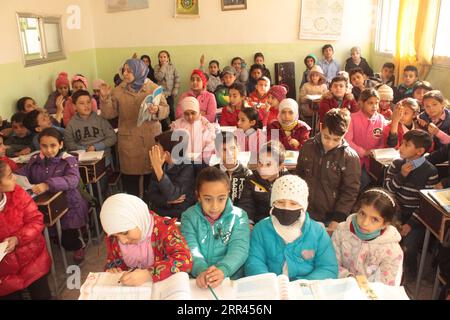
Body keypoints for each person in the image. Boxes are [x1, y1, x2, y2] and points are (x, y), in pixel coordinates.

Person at [245, 175, 338, 280]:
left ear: (303, 206)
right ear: (273, 203)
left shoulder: (317, 232)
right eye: (280, 202)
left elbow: (328, 268)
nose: (286, 207)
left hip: (305, 291)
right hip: (270, 289)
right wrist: (268, 282)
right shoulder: (261, 229)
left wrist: (302, 285)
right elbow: (254, 262)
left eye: (293, 203)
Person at [18, 128, 89, 264]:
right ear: (39, 146)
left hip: (69, 205)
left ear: (61, 144)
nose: (49, 150)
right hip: (45, 205)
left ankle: (79, 244)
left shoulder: (68, 160)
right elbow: (22, 174)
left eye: (53, 145)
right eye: (44, 146)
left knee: (68, 241)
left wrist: (47, 184)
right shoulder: (34, 161)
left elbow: (72, 180)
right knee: (50, 236)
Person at [100, 58, 169, 197]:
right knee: (131, 183)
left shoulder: (153, 88)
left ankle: (150, 211)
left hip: (151, 139)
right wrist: (105, 99)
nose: (125, 74)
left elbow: (166, 110)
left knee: (153, 179)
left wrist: (156, 110)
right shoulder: (118, 90)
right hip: (129, 141)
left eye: (129, 71)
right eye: (124, 70)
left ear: (139, 71)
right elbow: (109, 114)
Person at [100, 193, 193, 284]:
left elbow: (185, 260)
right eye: (116, 236)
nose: (122, 241)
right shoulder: (114, 239)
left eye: (125, 233)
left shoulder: (165, 230)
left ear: (138, 219)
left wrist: (148, 274)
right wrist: (113, 270)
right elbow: (113, 261)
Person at [181, 167, 250, 288]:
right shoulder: (189, 217)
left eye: (221, 199)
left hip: (231, 280)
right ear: (198, 196)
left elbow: (239, 249)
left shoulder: (239, 217)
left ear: (228, 194)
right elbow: (190, 248)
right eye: (208, 199)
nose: (214, 206)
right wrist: (201, 270)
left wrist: (223, 270)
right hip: (198, 279)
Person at [384, 130, 439, 280]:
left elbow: (426, 204)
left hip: (417, 218)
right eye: (402, 143)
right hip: (395, 213)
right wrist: (401, 175)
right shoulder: (397, 164)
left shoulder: (430, 171)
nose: (400, 147)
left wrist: (410, 224)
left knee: (409, 246)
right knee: (386, 240)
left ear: (420, 151)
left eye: (406, 145)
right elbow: (387, 191)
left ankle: (410, 270)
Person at [296, 108, 361, 230]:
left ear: (345, 133)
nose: (330, 143)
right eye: (326, 137)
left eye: (336, 139)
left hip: (330, 217)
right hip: (305, 210)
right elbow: (299, 177)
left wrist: (338, 218)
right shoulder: (307, 146)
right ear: (320, 128)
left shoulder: (350, 157)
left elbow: (350, 191)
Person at [0, 160, 52, 299]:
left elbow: (36, 220)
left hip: (32, 260)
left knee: (42, 295)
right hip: (4, 274)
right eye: (10, 176)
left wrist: (18, 239)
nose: (15, 178)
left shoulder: (17, 192)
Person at [332, 189, 403, 285]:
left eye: (374, 219)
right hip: (337, 287)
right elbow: (331, 263)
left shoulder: (392, 251)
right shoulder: (342, 231)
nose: (364, 223)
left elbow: (385, 287)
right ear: (357, 210)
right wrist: (348, 277)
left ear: (385, 224)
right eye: (362, 214)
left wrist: (361, 287)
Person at [345, 88, 389, 189]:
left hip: (374, 161)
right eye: (370, 103)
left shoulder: (381, 119)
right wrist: (363, 152)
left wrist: (376, 153)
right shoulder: (352, 118)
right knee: (362, 181)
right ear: (361, 103)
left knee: (377, 182)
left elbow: (382, 141)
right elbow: (347, 141)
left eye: (376, 103)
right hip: (355, 160)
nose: (374, 106)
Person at [238, 141, 289, 227]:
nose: (262, 168)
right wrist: (248, 222)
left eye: (268, 164)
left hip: (280, 225)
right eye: (260, 163)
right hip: (257, 225)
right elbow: (246, 204)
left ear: (280, 166)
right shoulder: (251, 180)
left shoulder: (288, 182)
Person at [147, 130, 195, 219]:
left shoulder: (187, 167)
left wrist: (158, 169)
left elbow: (172, 194)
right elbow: (151, 195)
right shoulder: (160, 165)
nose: (155, 151)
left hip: (180, 216)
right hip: (160, 212)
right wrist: (167, 201)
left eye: (158, 148)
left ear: (166, 154)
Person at [64, 90, 117, 167]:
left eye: (88, 102)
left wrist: (96, 147)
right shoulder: (71, 124)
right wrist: (84, 148)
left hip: (103, 159)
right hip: (83, 161)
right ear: (74, 106)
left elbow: (112, 138)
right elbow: (69, 144)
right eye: (82, 103)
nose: (86, 105)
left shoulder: (100, 119)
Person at [171, 97, 216, 165]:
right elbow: (173, 145)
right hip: (182, 162)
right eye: (186, 114)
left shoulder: (206, 125)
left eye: (193, 113)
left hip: (202, 162)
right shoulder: (177, 125)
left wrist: (200, 156)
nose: (190, 117)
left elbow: (211, 145)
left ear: (198, 111)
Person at [214, 132, 252, 205]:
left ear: (238, 149)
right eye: (224, 150)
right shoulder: (212, 173)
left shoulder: (247, 174)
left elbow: (249, 202)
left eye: (232, 148)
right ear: (218, 152)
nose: (229, 153)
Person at [154, 50, 180, 123]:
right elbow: (158, 77)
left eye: (164, 57)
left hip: (170, 93)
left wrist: (175, 89)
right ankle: (165, 128)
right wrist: (164, 66)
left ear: (168, 58)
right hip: (161, 94)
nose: (163, 59)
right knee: (162, 111)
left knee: (171, 110)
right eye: (161, 57)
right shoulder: (156, 67)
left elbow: (177, 78)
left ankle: (173, 125)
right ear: (158, 58)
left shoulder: (173, 67)